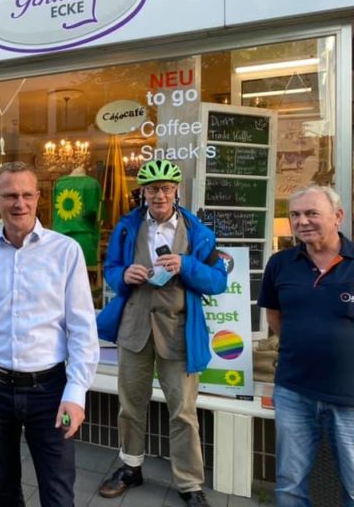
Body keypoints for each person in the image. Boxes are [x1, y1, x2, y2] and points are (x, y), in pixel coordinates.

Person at [0, 161, 101, 507]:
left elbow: (81, 329)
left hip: (51, 392)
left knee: (59, 493)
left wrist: (76, 392)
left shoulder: (66, 251)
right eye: (10, 195)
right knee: (3, 488)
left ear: (38, 198)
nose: (20, 203)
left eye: (27, 195)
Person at [98, 159, 227, 507]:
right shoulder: (127, 228)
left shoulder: (199, 232)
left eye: (166, 188)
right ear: (142, 192)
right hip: (135, 327)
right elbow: (110, 269)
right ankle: (130, 467)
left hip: (177, 330)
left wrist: (186, 265)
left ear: (176, 191)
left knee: (183, 410)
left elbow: (218, 281)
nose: (159, 195)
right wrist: (123, 275)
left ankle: (188, 482)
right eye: (152, 189)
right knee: (130, 404)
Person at [258, 185, 354, 506]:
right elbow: (274, 315)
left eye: (312, 213)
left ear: (337, 216)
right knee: (289, 483)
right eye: (295, 215)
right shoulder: (280, 263)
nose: (302, 222)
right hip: (293, 392)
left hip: (349, 398)